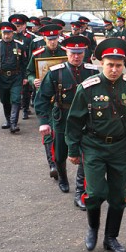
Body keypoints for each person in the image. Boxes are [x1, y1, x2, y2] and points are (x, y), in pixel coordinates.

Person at [65, 38, 126, 252]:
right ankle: (93, 228)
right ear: (102, 63)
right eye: (110, 64)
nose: (114, 69)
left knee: (118, 196)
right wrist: (73, 150)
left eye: (118, 65)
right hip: (93, 146)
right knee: (95, 193)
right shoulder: (88, 88)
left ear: (123, 66)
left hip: (120, 148)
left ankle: (111, 237)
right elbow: (74, 121)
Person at [35, 36, 99, 209]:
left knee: (86, 155)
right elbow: (42, 98)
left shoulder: (93, 72)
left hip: (87, 119)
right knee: (61, 154)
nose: (76, 57)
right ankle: (62, 177)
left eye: (79, 53)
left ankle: (81, 192)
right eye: (72, 53)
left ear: (84, 52)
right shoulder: (56, 72)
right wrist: (44, 121)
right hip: (63, 118)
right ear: (67, 52)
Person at [26, 24, 67, 182]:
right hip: (44, 98)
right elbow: (29, 72)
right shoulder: (38, 54)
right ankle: (53, 164)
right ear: (44, 39)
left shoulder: (65, 52)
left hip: (62, 98)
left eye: (55, 39)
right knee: (48, 130)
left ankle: (61, 161)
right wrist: (33, 80)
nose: (52, 42)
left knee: (61, 132)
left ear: (58, 38)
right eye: (50, 39)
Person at [0, 22, 28, 133]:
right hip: (1, 77)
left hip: (16, 76)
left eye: (8, 33)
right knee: (5, 100)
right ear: (1, 33)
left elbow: (24, 63)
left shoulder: (19, 45)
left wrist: (25, 77)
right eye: (4, 33)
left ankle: (13, 123)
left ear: (12, 33)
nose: (6, 36)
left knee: (16, 99)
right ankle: (8, 120)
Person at [9, 14, 33, 120]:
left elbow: (31, 54)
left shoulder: (29, 38)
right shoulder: (10, 37)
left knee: (26, 90)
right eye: (15, 25)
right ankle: (14, 112)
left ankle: (25, 109)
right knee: (13, 91)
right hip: (13, 68)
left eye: (19, 25)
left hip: (25, 66)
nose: (17, 27)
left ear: (24, 26)